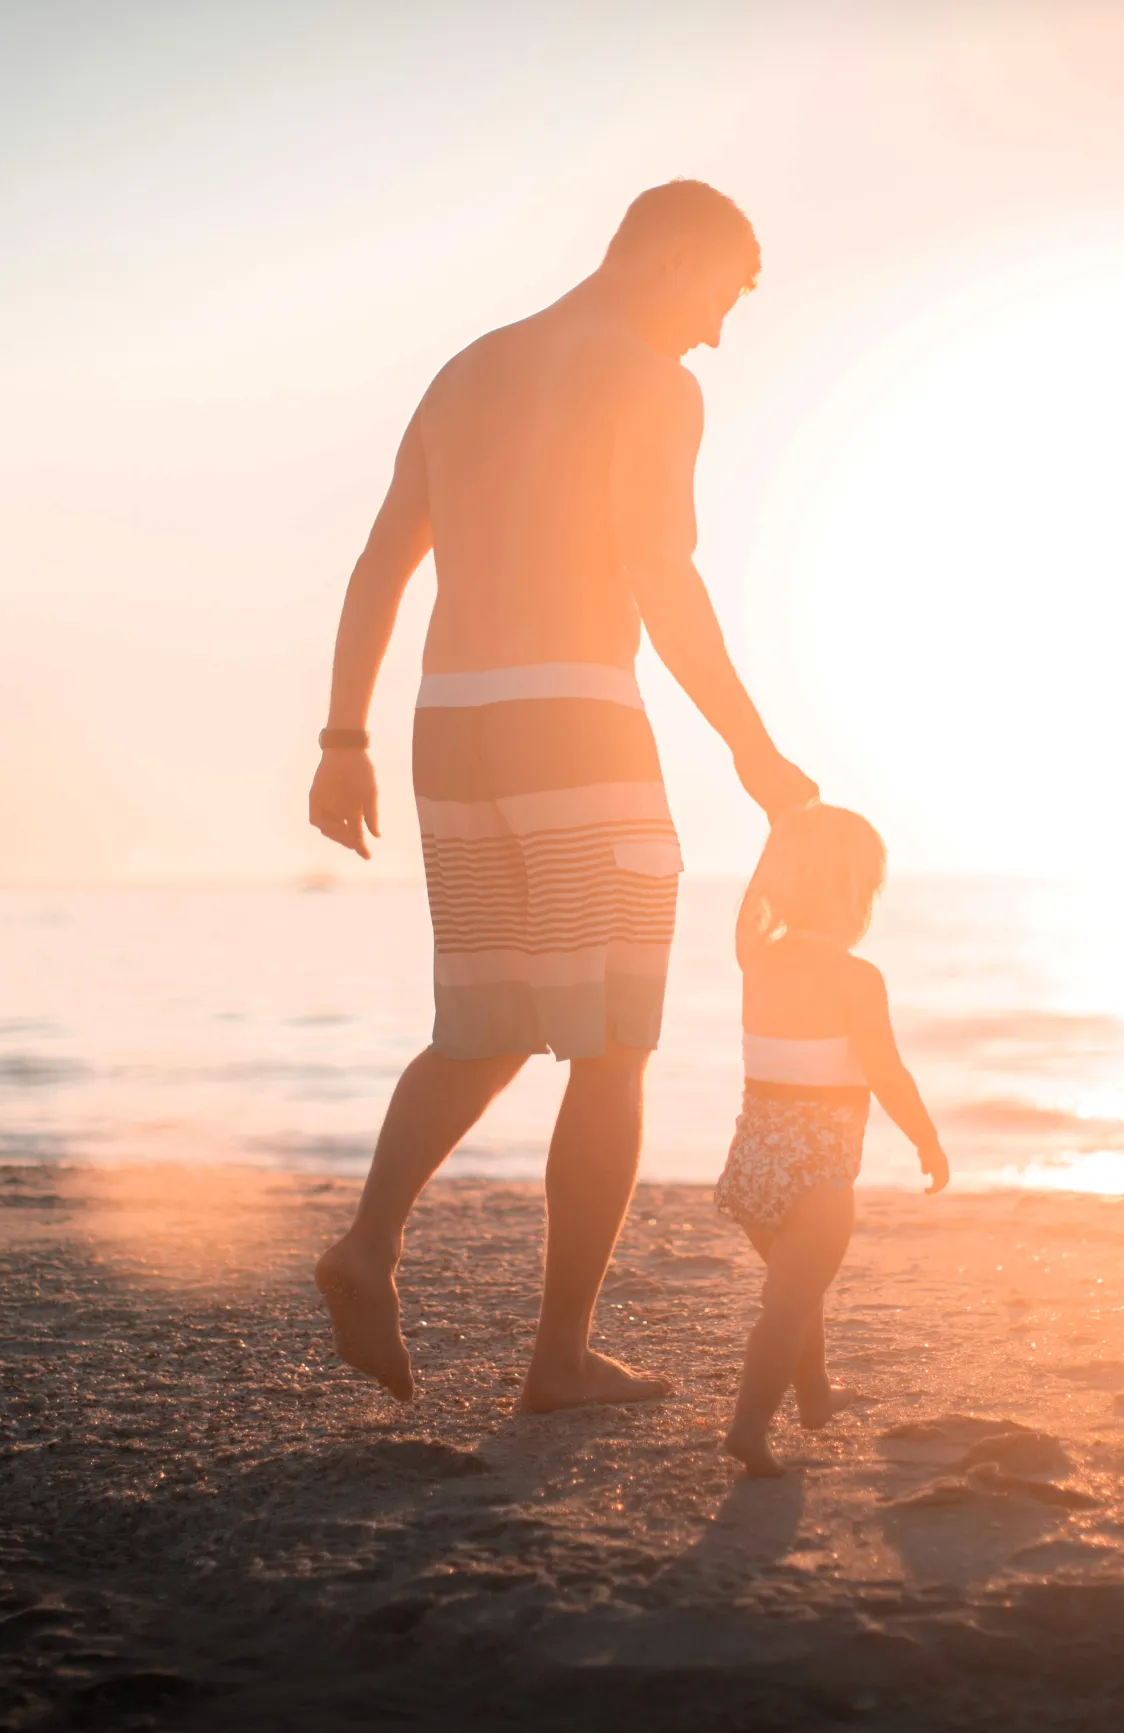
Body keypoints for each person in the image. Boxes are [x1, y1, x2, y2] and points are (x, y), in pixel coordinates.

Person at [305, 181, 817, 1412]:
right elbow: (660, 576)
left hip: (450, 724)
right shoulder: (649, 380)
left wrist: (340, 737)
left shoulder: (467, 369)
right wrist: (752, 749)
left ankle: (367, 1243)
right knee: (612, 1043)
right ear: (673, 255)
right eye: (721, 293)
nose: (713, 332)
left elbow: (384, 556)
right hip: (576, 720)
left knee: (484, 1025)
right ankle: (556, 1361)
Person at [715, 804, 949, 1475]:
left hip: (754, 1164)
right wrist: (926, 1138)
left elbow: (750, 906)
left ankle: (813, 1395)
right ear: (853, 897)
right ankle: (749, 1427)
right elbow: (886, 1071)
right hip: (818, 1168)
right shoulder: (857, 978)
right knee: (789, 1301)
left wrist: (774, 838)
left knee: (798, 1286)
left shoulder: (757, 957)